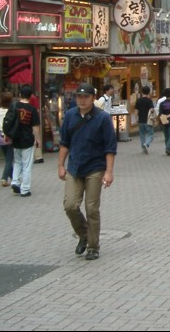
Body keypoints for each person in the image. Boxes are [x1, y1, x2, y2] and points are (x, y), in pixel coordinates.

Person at [58, 83, 117, 261]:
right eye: (79, 97)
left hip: (95, 168)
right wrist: (61, 165)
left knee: (91, 208)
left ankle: (93, 246)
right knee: (70, 206)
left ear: (93, 98)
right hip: (75, 168)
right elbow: (64, 143)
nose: (82, 100)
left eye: (86, 97)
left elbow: (110, 148)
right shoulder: (70, 116)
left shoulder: (103, 119)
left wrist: (109, 171)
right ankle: (84, 234)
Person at [11, 85, 41, 197]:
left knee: (17, 162)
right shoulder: (32, 109)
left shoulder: (14, 106)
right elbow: (35, 126)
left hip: (15, 139)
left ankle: (15, 182)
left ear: (20, 95)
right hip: (27, 139)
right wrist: (38, 139)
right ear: (30, 96)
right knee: (27, 165)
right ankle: (25, 189)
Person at [133, 85, 155, 154]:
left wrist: (136, 119)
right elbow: (151, 109)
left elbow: (136, 111)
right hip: (147, 120)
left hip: (141, 120)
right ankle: (147, 144)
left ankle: (143, 147)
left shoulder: (138, 100)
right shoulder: (149, 100)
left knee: (142, 134)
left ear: (142, 92)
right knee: (150, 134)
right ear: (149, 92)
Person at [29, 89, 45, 164]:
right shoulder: (34, 98)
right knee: (35, 138)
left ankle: (38, 156)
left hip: (32, 121)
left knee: (35, 138)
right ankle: (38, 156)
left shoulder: (31, 98)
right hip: (34, 120)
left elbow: (36, 110)